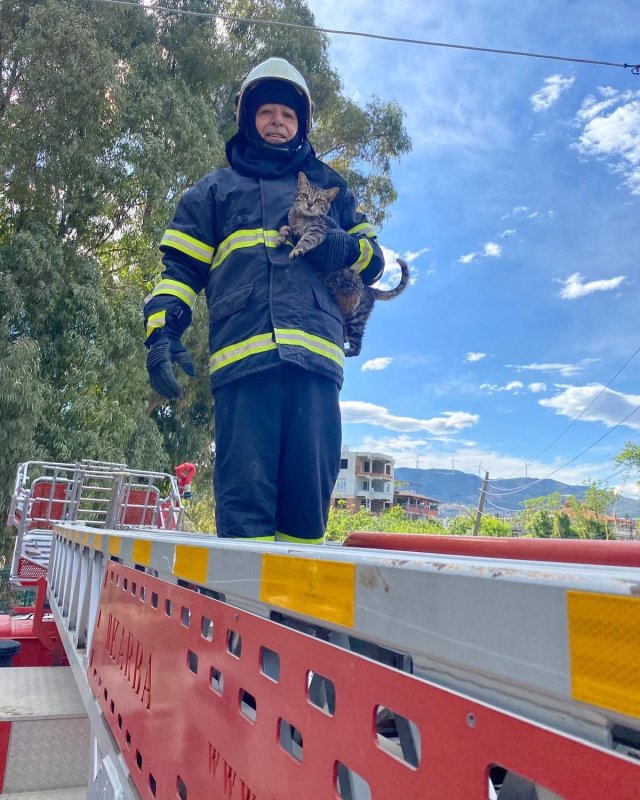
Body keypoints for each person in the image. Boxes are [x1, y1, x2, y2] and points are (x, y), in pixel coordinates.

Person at [144, 57, 384, 544]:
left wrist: (345, 246)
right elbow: (180, 272)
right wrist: (162, 333)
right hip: (244, 367)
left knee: (304, 521)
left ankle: (293, 619)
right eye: (267, 112)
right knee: (245, 516)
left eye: (288, 115)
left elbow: (375, 262)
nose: (277, 122)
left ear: (301, 126)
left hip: (316, 368)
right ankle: (243, 615)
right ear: (248, 119)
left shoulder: (331, 189)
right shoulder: (213, 192)